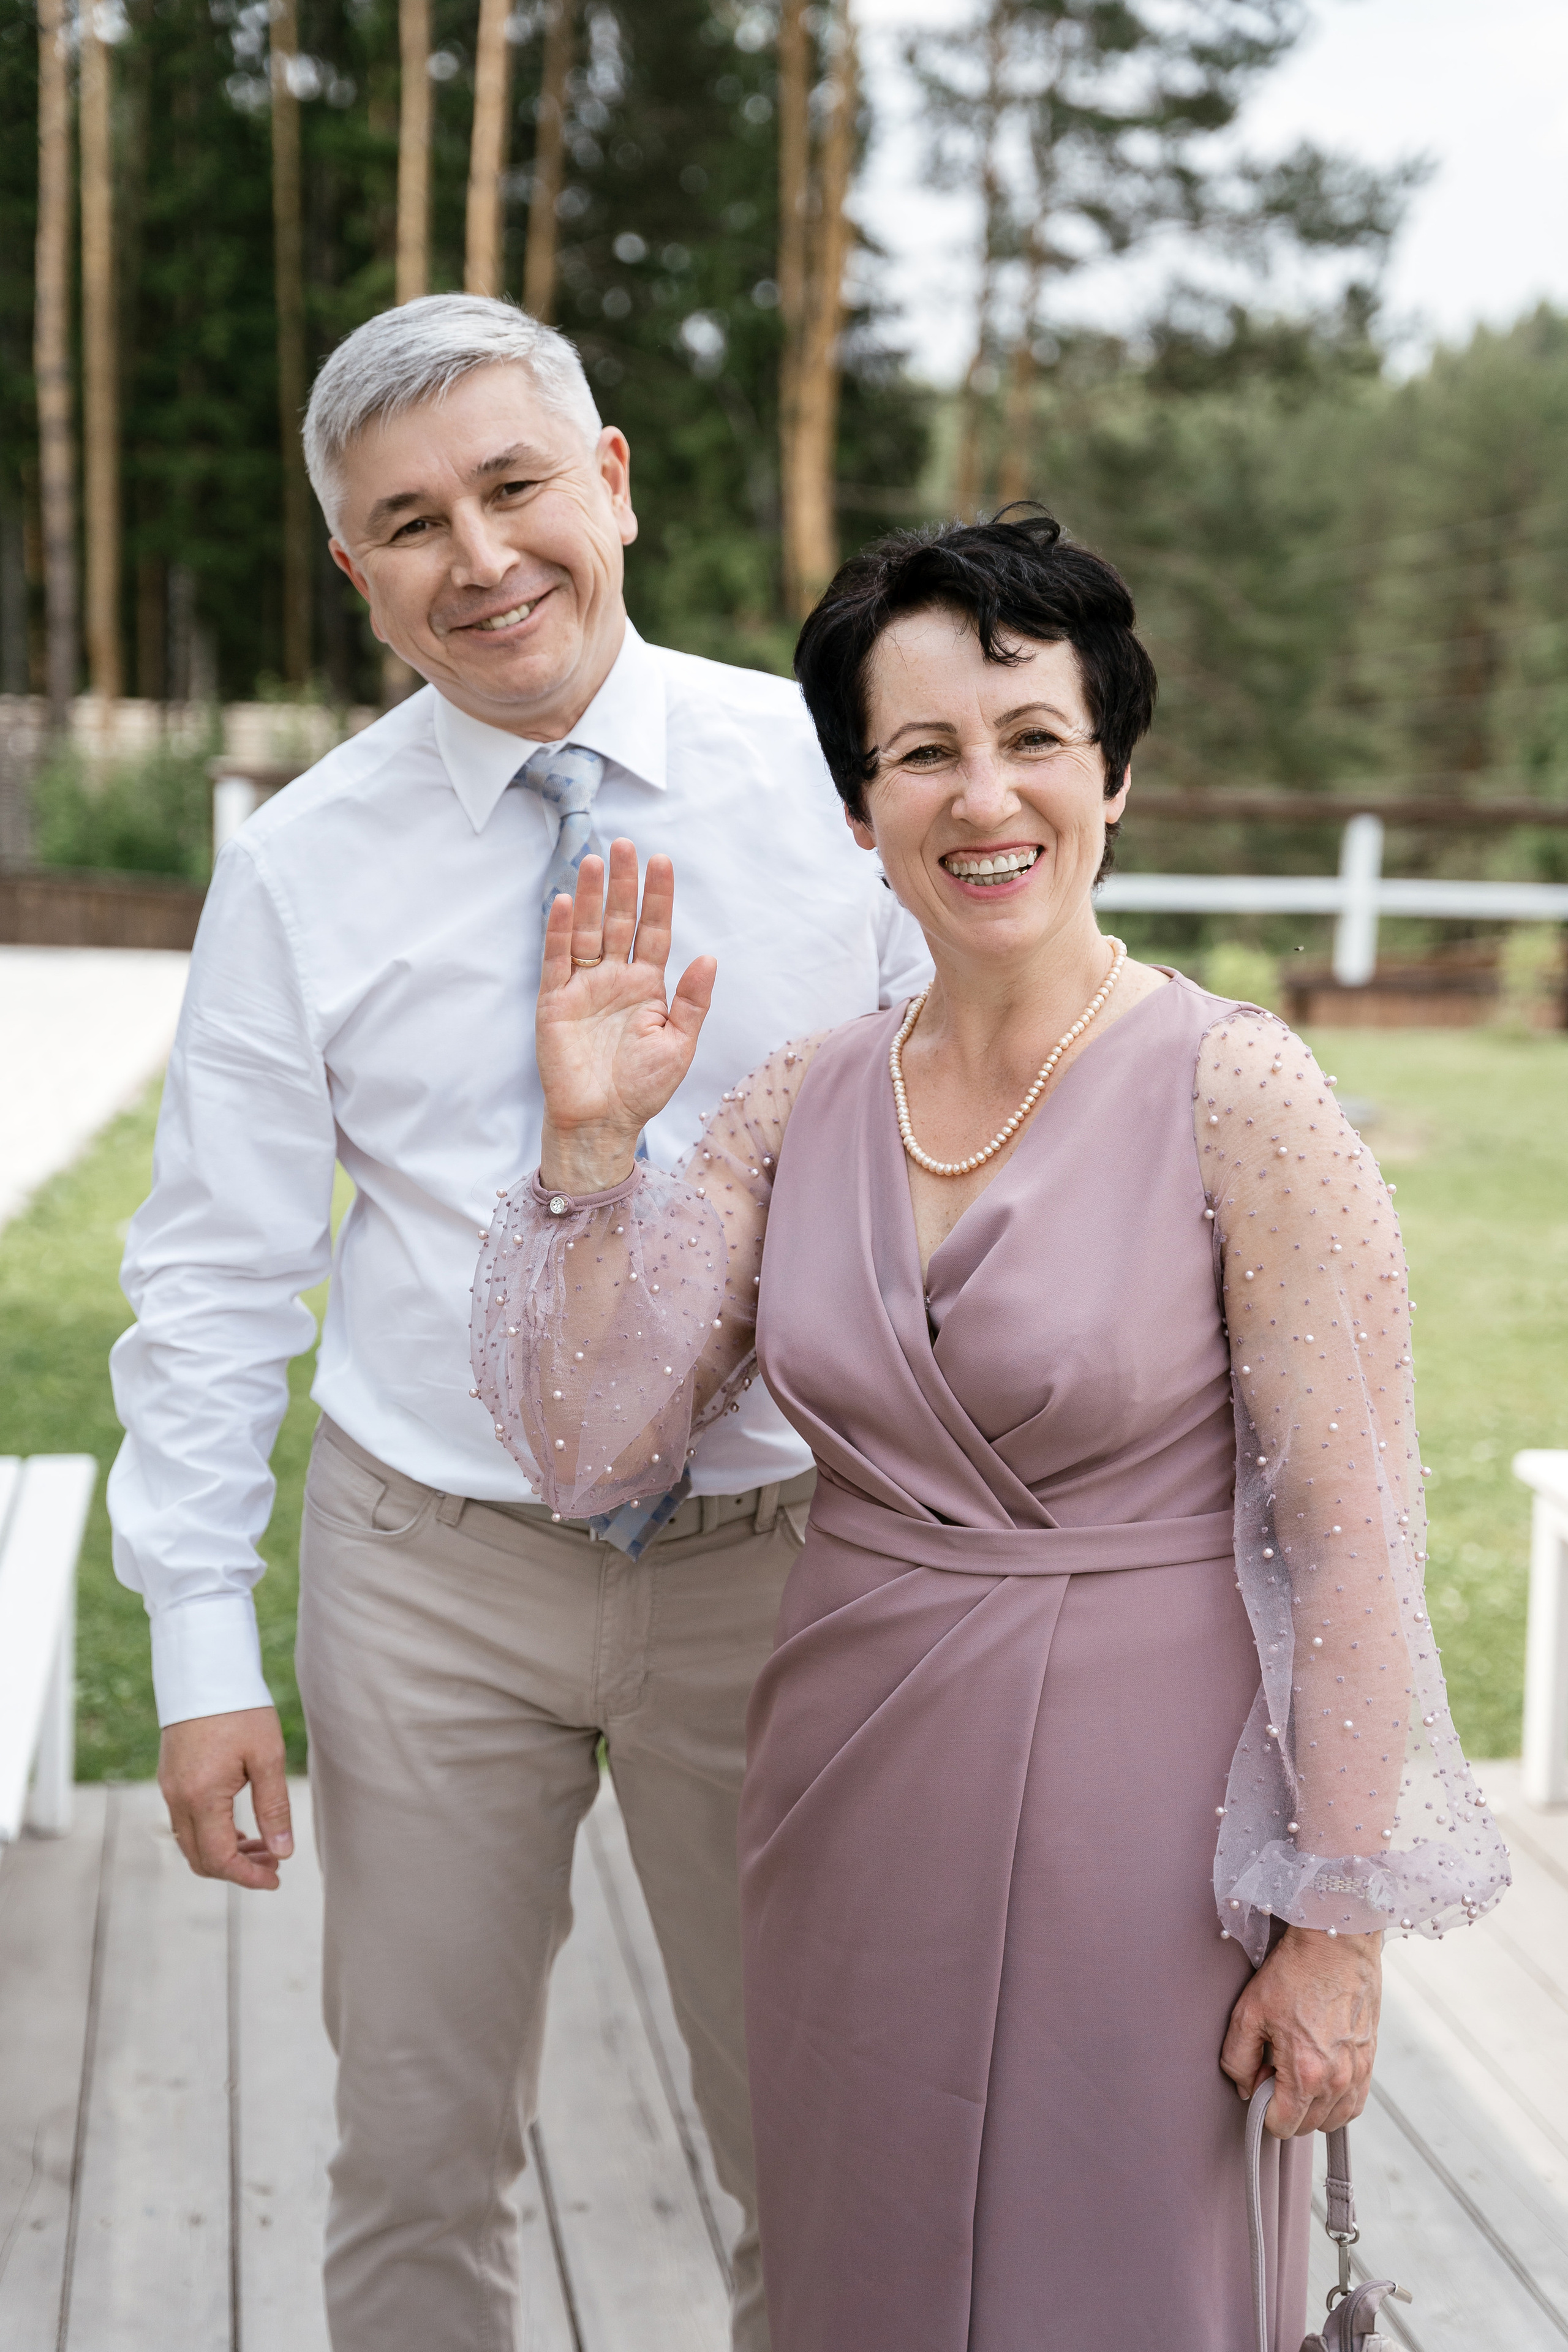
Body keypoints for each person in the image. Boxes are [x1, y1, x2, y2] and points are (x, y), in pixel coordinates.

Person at [475, 513, 1511, 2351]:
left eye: (1032, 738)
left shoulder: (1237, 1086)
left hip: (1156, 1834)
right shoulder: (799, 1099)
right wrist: (584, 1151)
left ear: (1112, 776)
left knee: (1122, 2279)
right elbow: (595, 1438)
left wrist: (1336, 1928)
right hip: (852, 1808)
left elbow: (1353, 1535)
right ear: (861, 810)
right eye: (924, 752)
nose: (985, 796)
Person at [107, 293, 929, 2352]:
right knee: (412, 2159)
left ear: (615, 488)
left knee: (818, 2148)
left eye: (512, 488)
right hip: (430, 1577)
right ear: (352, 569)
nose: (478, 559)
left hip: (781, 1565)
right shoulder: (299, 870)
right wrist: (201, 1646)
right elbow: (218, 1269)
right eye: (409, 522)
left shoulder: (836, 791)